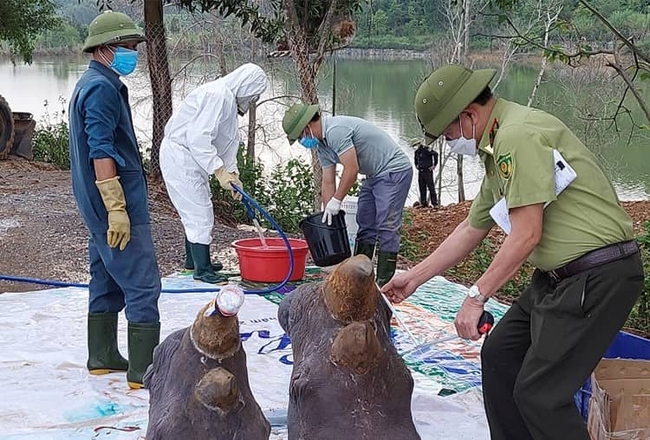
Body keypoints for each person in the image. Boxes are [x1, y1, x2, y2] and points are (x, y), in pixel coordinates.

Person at [382, 64, 643, 439]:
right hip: (556, 278)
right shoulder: (496, 145)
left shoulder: (516, 137)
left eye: (450, 132)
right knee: (501, 355)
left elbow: (526, 234)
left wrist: (476, 296)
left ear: (469, 114)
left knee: (540, 393)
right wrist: (414, 278)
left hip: (598, 274)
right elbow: (471, 228)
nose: (451, 141)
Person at [68, 10, 161, 389]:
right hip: (114, 204)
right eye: (128, 47)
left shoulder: (90, 83)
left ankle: (102, 356)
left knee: (105, 277)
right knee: (143, 283)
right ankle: (145, 372)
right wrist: (117, 208)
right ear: (105, 49)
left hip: (94, 205)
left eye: (135, 46)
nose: (133, 54)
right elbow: (101, 151)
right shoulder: (103, 88)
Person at [282, 104, 413, 286]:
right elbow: (328, 180)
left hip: (394, 170)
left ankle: (385, 282)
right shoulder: (322, 146)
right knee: (365, 223)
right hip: (373, 175)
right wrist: (328, 216)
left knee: (386, 225)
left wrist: (337, 200)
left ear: (306, 128)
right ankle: (360, 277)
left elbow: (351, 170)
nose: (302, 141)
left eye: (300, 137)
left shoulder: (336, 131)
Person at [160, 63, 267, 284]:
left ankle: (194, 262)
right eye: (253, 94)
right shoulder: (217, 95)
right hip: (180, 156)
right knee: (200, 211)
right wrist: (218, 170)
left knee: (197, 208)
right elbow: (198, 138)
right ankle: (202, 270)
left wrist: (233, 174)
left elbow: (227, 144)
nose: (252, 100)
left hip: (191, 158)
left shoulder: (227, 100)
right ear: (247, 86)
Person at [413, 139, 438, 208]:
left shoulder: (426, 149)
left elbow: (435, 154)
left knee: (431, 187)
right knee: (422, 187)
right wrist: (416, 165)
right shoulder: (416, 152)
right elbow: (415, 160)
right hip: (420, 171)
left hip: (428, 171)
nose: (416, 146)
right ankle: (423, 203)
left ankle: (435, 203)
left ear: (419, 143)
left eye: (416, 144)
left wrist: (434, 165)